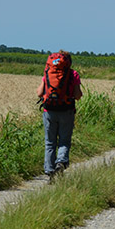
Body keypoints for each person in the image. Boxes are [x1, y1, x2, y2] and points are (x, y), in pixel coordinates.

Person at [36, 50, 82, 179]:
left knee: (50, 142)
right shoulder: (73, 74)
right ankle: (61, 162)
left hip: (49, 111)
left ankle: (50, 171)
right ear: (69, 62)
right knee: (64, 141)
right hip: (66, 110)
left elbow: (39, 93)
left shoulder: (48, 72)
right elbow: (77, 96)